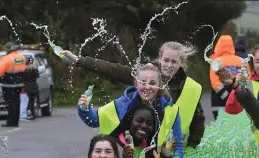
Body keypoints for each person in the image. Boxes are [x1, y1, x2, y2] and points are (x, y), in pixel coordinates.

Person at [64, 41, 205, 148]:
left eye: (174, 62)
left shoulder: (191, 88)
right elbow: (113, 69)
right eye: (166, 60)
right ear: (159, 58)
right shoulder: (145, 76)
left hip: (172, 150)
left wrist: (193, 146)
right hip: (142, 149)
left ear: (182, 63)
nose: (169, 65)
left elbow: (198, 119)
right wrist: (79, 61)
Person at [77, 63, 184, 158]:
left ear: (160, 85)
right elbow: (93, 120)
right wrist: (84, 108)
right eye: (143, 82)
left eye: (152, 83)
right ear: (136, 83)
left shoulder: (171, 111)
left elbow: (178, 146)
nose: (147, 87)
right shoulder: (122, 104)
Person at [110, 103, 174, 158]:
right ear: (130, 121)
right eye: (139, 121)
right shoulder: (112, 146)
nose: (144, 125)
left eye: (149, 124)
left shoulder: (150, 149)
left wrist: (165, 156)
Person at [208, 35, 244, 120]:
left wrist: (226, 97)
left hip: (220, 102)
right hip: (238, 100)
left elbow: (215, 83)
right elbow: (247, 79)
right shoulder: (241, 61)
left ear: (219, 45)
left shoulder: (216, 61)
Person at [0, 42, 26, 127]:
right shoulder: (21, 57)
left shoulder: (7, 58)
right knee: (16, 102)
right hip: (19, 84)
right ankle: (15, 122)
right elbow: (24, 70)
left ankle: (10, 122)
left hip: (8, 85)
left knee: (10, 103)